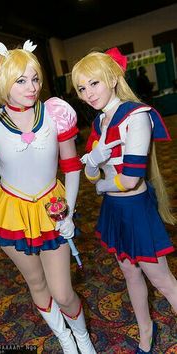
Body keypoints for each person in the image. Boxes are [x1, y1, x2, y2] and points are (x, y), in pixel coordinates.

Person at [0, 40, 96, 354]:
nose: (32, 87)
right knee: (37, 284)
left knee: (63, 291)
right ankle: (65, 340)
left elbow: (70, 166)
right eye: (21, 80)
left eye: (35, 78)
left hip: (51, 208)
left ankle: (82, 337)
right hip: (10, 212)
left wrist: (68, 211)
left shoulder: (55, 113)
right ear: (3, 83)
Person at [71, 47, 177, 354]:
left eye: (94, 83)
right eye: (81, 87)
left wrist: (100, 182)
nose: (88, 94)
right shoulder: (98, 124)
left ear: (113, 78)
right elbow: (90, 172)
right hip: (115, 210)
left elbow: (130, 179)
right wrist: (92, 162)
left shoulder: (136, 115)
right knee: (130, 273)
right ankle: (146, 329)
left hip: (134, 208)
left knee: (163, 281)